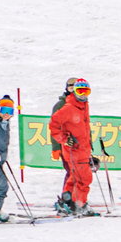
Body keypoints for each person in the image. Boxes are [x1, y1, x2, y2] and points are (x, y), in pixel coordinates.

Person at [49, 78, 97, 216]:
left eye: (86, 91)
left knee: (74, 177)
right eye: (79, 90)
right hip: (75, 150)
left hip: (82, 149)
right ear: (74, 91)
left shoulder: (83, 105)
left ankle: (67, 202)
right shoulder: (69, 108)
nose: (83, 94)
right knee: (84, 179)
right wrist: (63, 139)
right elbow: (54, 125)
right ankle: (79, 205)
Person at [50, 77, 77, 209]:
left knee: (78, 172)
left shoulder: (82, 105)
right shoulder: (61, 105)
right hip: (66, 145)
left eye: (75, 88)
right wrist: (56, 147)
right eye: (70, 88)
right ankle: (67, 199)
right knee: (72, 172)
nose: (73, 91)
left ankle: (74, 198)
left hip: (79, 146)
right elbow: (54, 127)